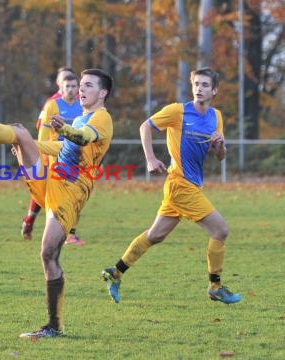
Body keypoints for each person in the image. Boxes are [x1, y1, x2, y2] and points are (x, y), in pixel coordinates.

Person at [0, 68, 114, 338]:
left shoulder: (102, 118)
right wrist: (34, 144)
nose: (81, 89)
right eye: (81, 85)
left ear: (103, 92)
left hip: (71, 191)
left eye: (88, 85)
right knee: (19, 131)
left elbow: (83, 137)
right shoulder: (81, 116)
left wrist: (65, 129)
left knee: (48, 253)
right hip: (51, 180)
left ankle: (54, 326)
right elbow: (62, 149)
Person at [101, 67, 242, 305]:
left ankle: (115, 272)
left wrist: (219, 145)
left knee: (155, 235)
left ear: (214, 90)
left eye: (205, 85)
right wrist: (150, 158)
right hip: (180, 184)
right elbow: (145, 126)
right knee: (221, 230)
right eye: (196, 83)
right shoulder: (178, 111)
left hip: (189, 186)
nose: (199, 88)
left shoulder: (215, 116)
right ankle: (215, 286)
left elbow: (219, 156)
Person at [22, 67, 84, 245]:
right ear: (60, 86)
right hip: (54, 156)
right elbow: (41, 128)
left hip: (76, 156)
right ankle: (32, 221)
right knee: (48, 195)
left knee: (75, 193)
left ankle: (70, 233)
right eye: (67, 85)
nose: (71, 89)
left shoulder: (83, 104)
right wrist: (39, 153)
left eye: (74, 85)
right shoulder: (52, 103)